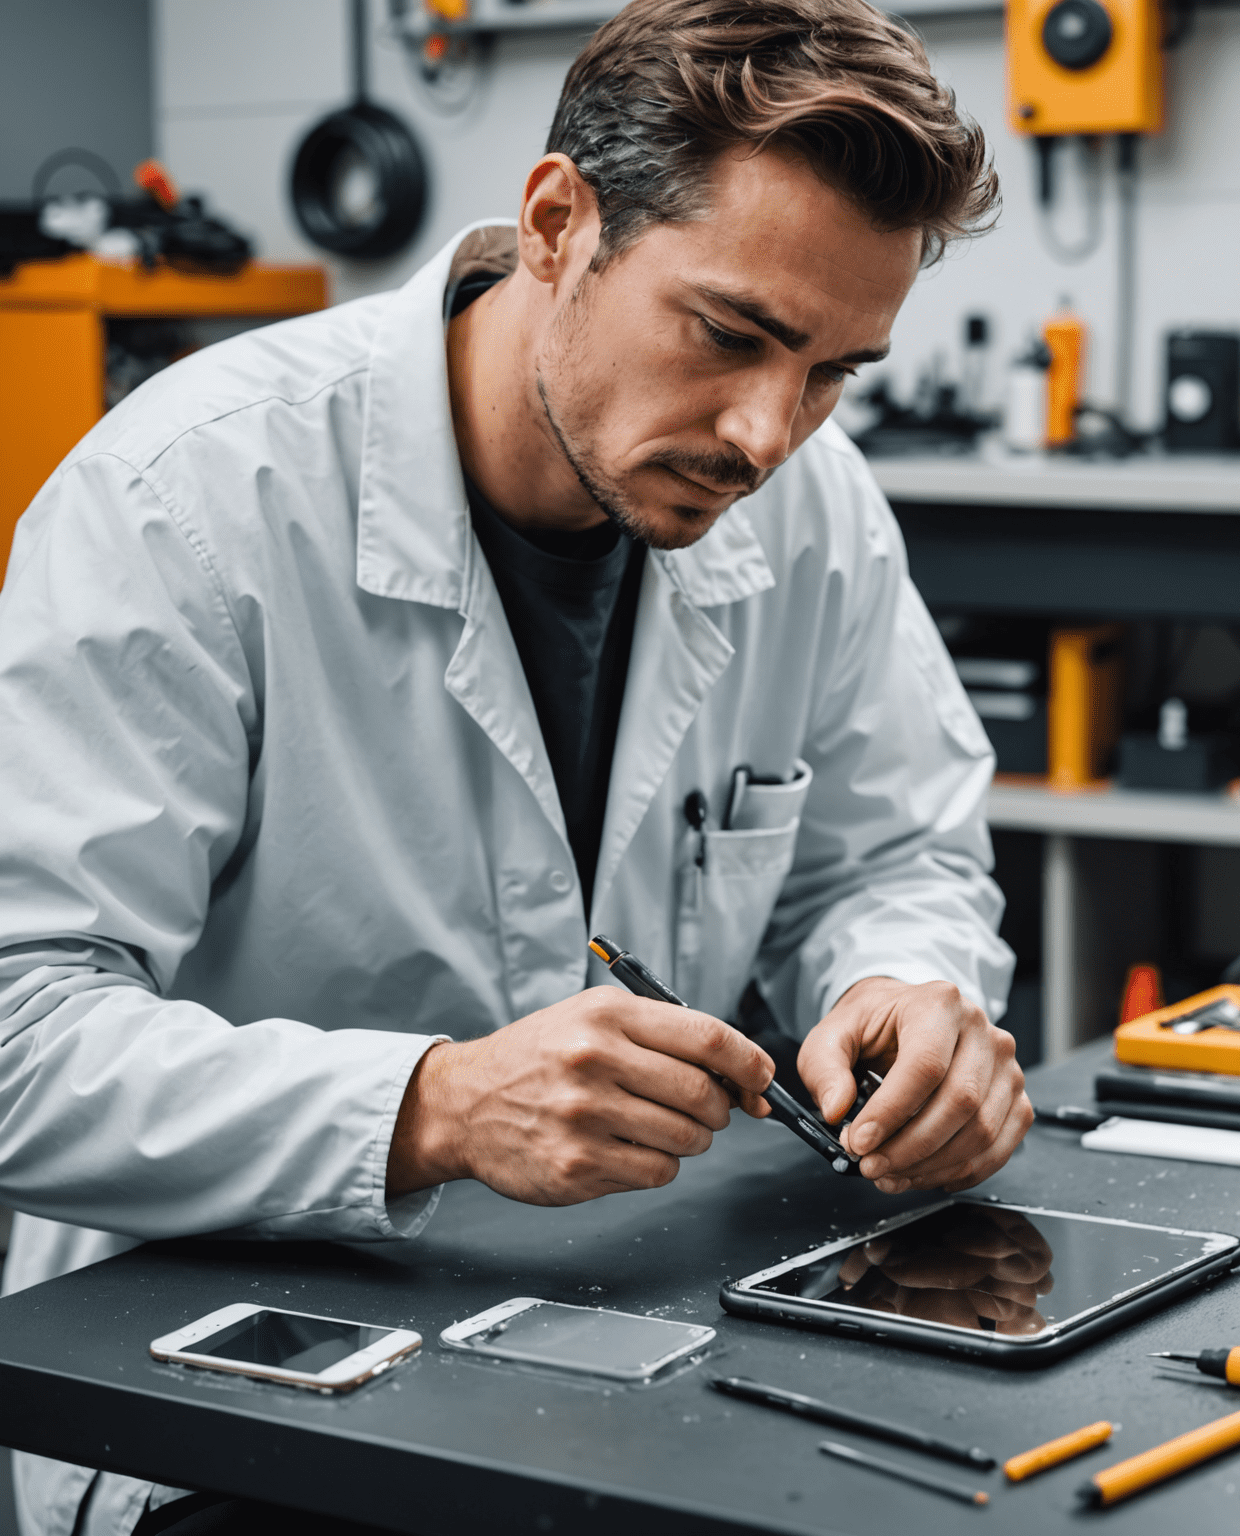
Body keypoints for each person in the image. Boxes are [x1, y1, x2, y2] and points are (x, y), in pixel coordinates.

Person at [0, 2, 1030, 1530]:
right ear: (560, 223)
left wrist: (904, 989)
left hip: (640, 1324)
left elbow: (897, 860)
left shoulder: (813, 513)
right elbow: (20, 1042)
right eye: (731, 335)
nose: (767, 433)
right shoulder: (192, 498)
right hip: (228, 1376)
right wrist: (433, 1108)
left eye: (833, 372)